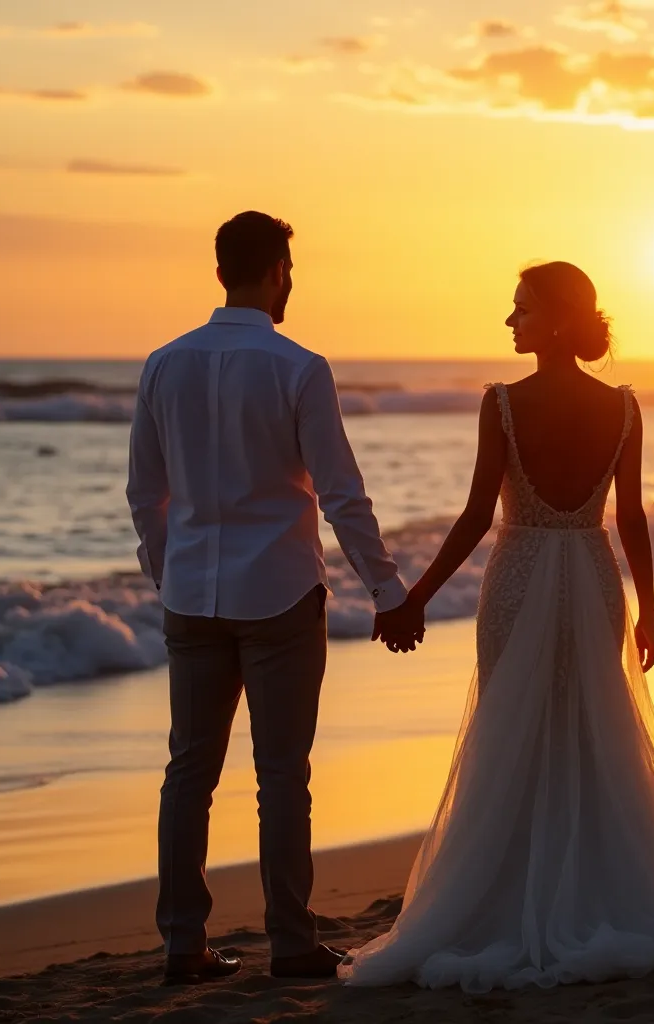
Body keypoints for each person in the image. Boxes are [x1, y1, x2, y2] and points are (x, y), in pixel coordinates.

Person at [341, 261, 654, 992]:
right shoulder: (623, 407)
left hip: (521, 572)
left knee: (513, 732)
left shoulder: (500, 403)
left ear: (556, 319)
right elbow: (630, 518)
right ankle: (601, 893)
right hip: (594, 577)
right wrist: (649, 608)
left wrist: (416, 599)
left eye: (522, 308)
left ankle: (512, 900)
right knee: (596, 730)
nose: (510, 321)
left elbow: (474, 518)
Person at [126, 211, 424, 986]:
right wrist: (387, 589)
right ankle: (291, 943)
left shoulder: (163, 364)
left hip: (192, 596)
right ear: (274, 272)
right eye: (289, 268)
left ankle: (182, 945)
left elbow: (144, 493)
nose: (291, 281)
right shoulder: (299, 366)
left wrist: (171, 573)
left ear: (222, 270)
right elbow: (340, 493)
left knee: (189, 770)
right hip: (281, 595)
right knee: (281, 773)